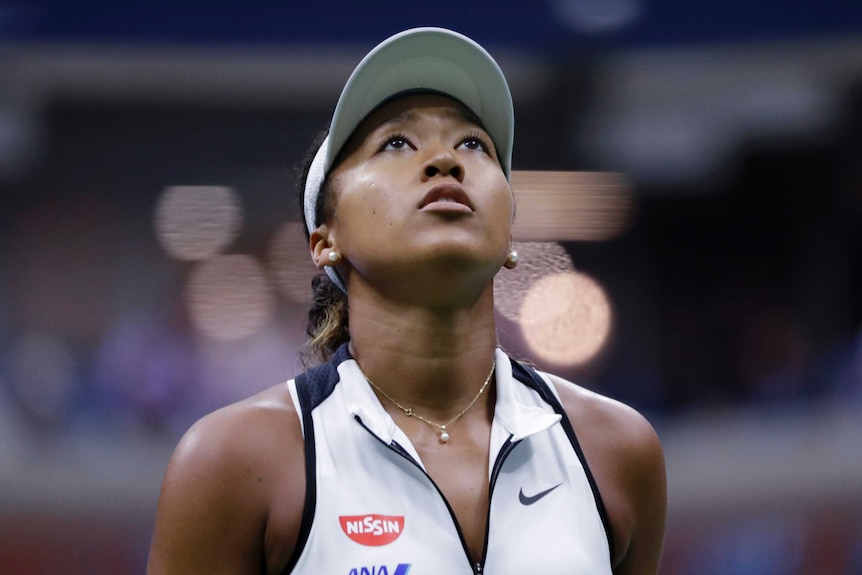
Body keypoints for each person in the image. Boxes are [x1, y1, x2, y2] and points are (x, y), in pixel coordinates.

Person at [146, 27, 666, 575]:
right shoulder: (234, 461)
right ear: (325, 240)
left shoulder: (617, 449)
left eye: (474, 144)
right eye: (395, 143)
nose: (446, 160)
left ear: (510, 234)